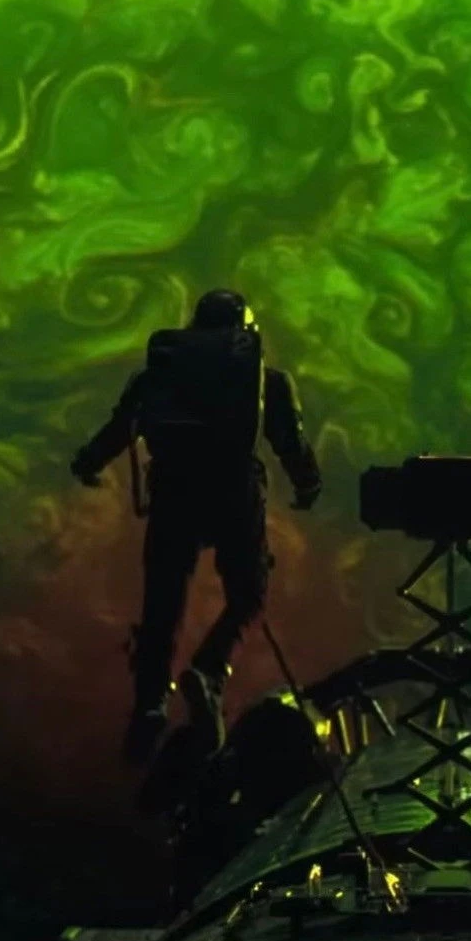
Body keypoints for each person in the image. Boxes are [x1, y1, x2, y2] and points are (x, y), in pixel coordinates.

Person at [70, 289, 322, 763]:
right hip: (234, 490)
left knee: (163, 603)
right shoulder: (265, 381)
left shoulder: (159, 375)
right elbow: (290, 441)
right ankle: (210, 669)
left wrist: (87, 463)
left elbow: (120, 428)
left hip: (174, 491)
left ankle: (150, 704)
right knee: (248, 595)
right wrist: (308, 485)